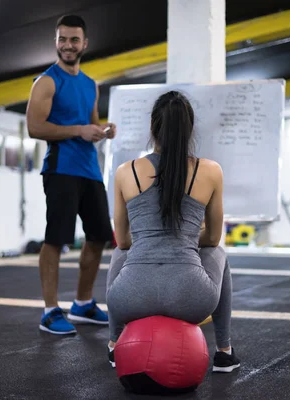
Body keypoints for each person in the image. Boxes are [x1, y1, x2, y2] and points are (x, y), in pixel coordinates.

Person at [105, 90, 241, 373]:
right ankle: (224, 352)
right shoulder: (211, 171)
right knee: (218, 253)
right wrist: (188, 238)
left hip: (129, 298)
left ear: (153, 127)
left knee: (120, 252)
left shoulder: (125, 171)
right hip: (190, 298)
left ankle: (114, 344)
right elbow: (213, 239)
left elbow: (124, 240)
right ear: (190, 129)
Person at [26, 15, 116, 335]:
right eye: (62, 39)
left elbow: (90, 121)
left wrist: (103, 130)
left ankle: (82, 303)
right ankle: (50, 310)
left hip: (89, 170)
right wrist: (79, 130)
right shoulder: (47, 81)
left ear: (84, 44)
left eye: (73, 40)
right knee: (57, 239)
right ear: (56, 42)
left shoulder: (91, 84)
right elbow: (34, 127)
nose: (67, 45)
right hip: (61, 169)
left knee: (99, 236)